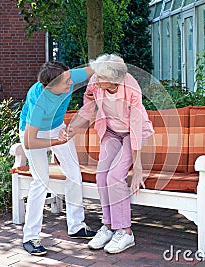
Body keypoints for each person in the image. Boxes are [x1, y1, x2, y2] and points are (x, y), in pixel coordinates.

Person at [59, 54, 155, 254]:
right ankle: (109, 226)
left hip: (131, 133)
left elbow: (136, 127)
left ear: (113, 79)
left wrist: (138, 167)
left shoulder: (131, 89)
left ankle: (126, 231)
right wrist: (72, 127)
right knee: (102, 175)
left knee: (114, 176)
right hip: (111, 131)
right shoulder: (96, 82)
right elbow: (89, 105)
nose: (95, 78)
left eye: (101, 77)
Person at [19, 61, 96, 256]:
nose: (71, 84)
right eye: (65, 83)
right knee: (41, 180)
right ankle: (30, 237)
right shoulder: (38, 101)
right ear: (49, 87)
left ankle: (76, 225)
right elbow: (29, 142)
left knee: (73, 173)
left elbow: (97, 69)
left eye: (69, 78)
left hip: (57, 127)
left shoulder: (67, 77)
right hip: (33, 135)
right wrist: (55, 142)